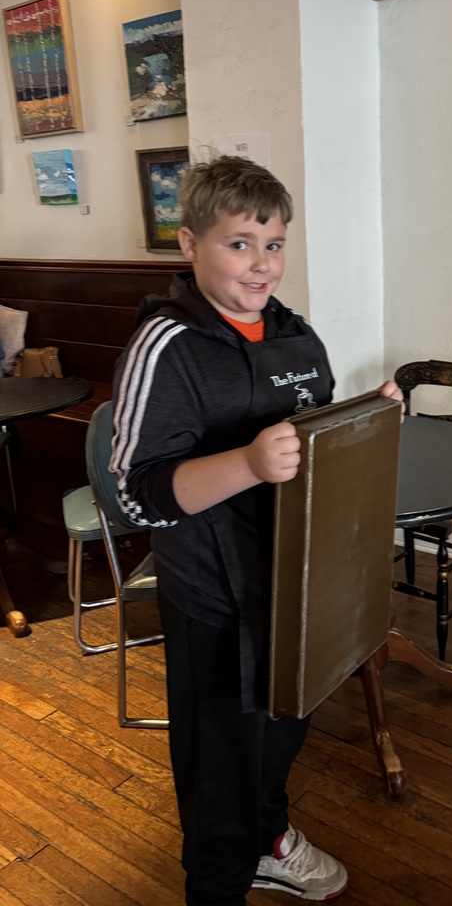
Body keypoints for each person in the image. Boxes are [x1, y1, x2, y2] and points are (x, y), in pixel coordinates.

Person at [110, 155, 402, 905]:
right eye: (239, 243)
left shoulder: (293, 332)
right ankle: (216, 885)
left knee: (283, 728)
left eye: (273, 244)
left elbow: (314, 449)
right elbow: (136, 495)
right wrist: (245, 461)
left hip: (291, 582)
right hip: (215, 596)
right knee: (220, 761)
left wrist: (366, 418)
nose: (261, 263)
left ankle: (269, 840)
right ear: (189, 245)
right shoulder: (167, 346)